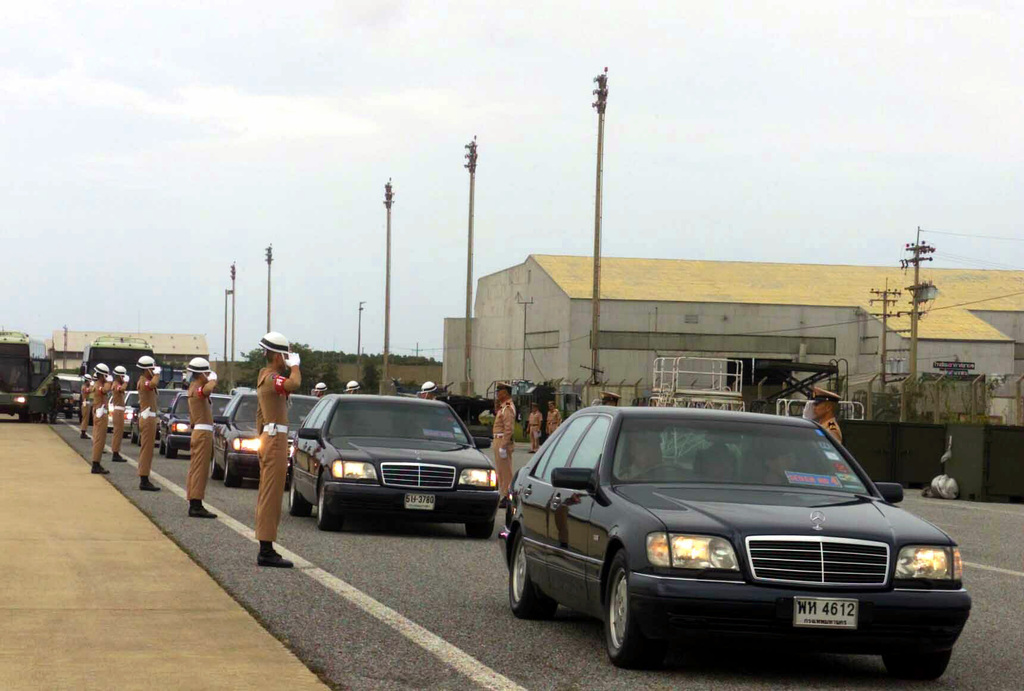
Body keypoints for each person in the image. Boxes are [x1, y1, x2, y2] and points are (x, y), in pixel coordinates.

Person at [254, 331, 301, 567]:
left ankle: (266, 546)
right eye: (286, 355)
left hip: (269, 436)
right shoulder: (273, 378)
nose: (289, 359)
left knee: (268, 493)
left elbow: (259, 415)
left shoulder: (264, 377)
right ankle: (266, 550)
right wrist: (295, 367)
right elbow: (295, 382)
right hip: (275, 439)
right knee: (272, 496)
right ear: (278, 356)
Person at [185, 358, 218, 518]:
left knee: (196, 467)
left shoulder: (193, 387)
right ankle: (196, 504)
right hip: (203, 432)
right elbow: (208, 390)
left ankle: (194, 500)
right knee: (200, 468)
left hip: (199, 431)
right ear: (202, 373)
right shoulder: (198, 387)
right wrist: (212, 379)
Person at [135, 355, 162, 492]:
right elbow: (153, 384)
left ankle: (144, 477)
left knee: (148, 449)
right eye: (152, 367)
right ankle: (143, 479)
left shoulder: (145, 380)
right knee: (146, 449)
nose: (154, 369)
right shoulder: (144, 381)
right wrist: (156, 374)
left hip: (149, 417)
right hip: (147, 417)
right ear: (147, 369)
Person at [492, 383, 516, 506]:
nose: (497, 394)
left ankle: (508, 496)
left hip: (502, 441)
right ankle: (505, 493)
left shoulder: (507, 408)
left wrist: (503, 446)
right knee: (501, 471)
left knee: (505, 471)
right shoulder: (503, 407)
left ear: (505, 393)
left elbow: (508, 429)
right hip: (498, 440)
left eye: (499, 392)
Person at [89, 364, 113, 474]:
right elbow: (105, 390)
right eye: (106, 375)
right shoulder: (99, 385)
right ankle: (95, 464)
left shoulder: (98, 384)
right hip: (100, 414)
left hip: (101, 413)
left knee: (101, 440)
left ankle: (97, 463)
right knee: (99, 440)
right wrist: (109, 381)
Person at [109, 366, 130, 463]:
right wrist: (126, 382)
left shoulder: (116, 383)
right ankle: (115, 453)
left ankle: (116, 452)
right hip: (118, 410)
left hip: (119, 410)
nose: (123, 378)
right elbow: (121, 389)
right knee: (117, 432)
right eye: (122, 376)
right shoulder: (116, 384)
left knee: (119, 432)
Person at [79, 374, 94, 439]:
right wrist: (92, 385)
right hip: (85, 402)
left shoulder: (84, 386)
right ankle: (83, 432)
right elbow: (90, 390)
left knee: (86, 418)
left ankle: (83, 431)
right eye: (89, 381)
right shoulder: (84, 387)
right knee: (85, 418)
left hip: (86, 402)